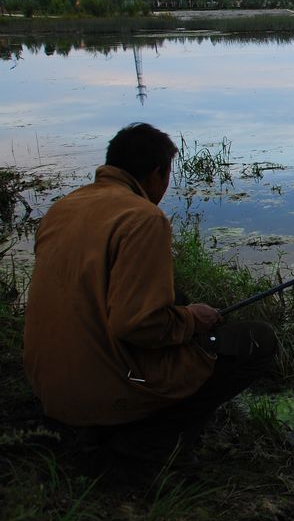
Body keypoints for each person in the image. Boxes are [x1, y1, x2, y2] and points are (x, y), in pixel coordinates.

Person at [24, 122, 277, 463]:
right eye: (168, 175)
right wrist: (189, 320)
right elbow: (137, 325)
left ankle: (125, 419)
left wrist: (181, 309)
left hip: (50, 388)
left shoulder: (64, 207)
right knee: (257, 339)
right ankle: (151, 438)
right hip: (99, 395)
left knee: (176, 293)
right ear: (157, 173)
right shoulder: (144, 218)